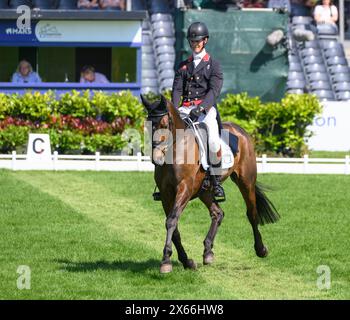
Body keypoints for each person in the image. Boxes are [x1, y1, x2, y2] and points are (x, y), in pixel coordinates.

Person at [172, 21, 226, 202]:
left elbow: (214, 91)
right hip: (185, 108)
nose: (195, 44)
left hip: (206, 109)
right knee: (168, 134)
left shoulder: (214, 65)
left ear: (205, 41)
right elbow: (177, 90)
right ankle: (165, 179)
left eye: (198, 41)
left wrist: (201, 108)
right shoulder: (183, 66)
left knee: (212, 138)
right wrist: (174, 110)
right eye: (192, 41)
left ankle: (216, 180)